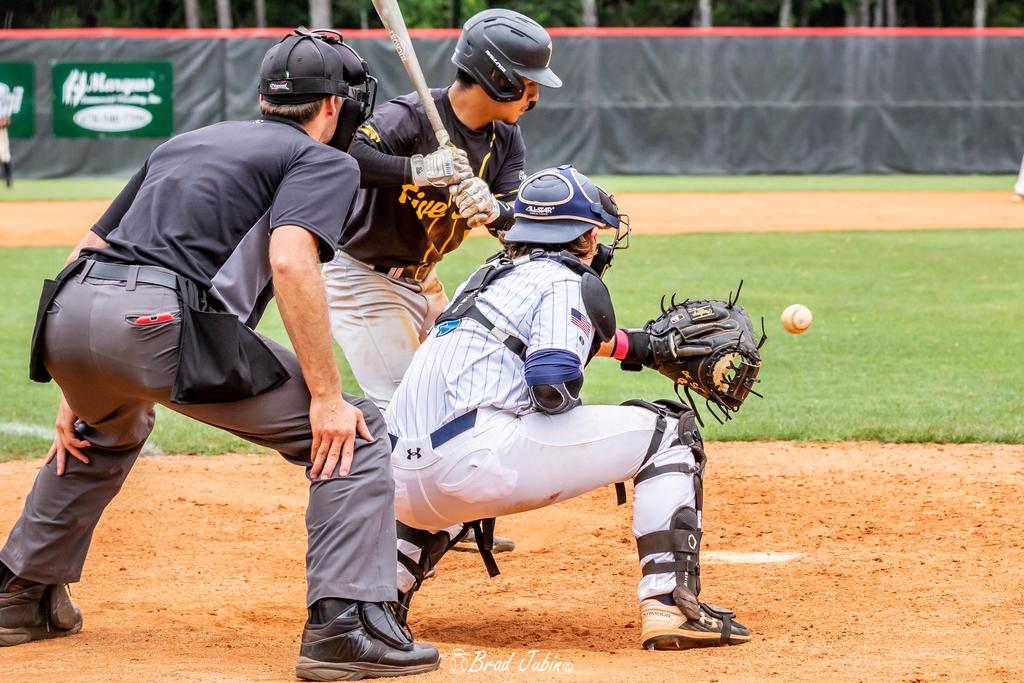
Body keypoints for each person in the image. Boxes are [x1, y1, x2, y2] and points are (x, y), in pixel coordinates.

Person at [0, 28, 439, 681]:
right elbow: (291, 263)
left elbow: (86, 250)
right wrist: (324, 398)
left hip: (67, 313)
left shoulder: (190, 139)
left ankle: (18, 596)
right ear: (335, 108)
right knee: (359, 433)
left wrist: (80, 384)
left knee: (110, 427)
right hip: (157, 320)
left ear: (266, 96)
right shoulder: (324, 159)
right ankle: (342, 629)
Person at [385, 166, 753, 650]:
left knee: (442, 461)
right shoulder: (565, 280)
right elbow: (552, 383)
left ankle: (379, 600)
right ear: (583, 235)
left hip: (398, 483)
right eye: (595, 232)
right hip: (478, 464)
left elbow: (530, 342)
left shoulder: (486, 277)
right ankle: (671, 606)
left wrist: (640, 349)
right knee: (667, 430)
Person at [324, 8, 562, 555]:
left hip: (426, 281)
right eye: (528, 84)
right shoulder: (409, 117)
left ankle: (450, 513)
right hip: (365, 277)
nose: (534, 97)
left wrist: (496, 211)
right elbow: (348, 156)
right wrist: (419, 170)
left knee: (462, 389)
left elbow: (519, 218)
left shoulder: (505, 139)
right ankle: (382, 534)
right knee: (402, 407)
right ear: (499, 77)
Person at [0, 80, 13, 188]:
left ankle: (8, 177)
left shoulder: (3, 88)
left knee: (4, 152)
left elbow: (8, 105)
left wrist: (7, 117)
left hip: (0, 126)